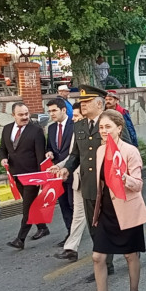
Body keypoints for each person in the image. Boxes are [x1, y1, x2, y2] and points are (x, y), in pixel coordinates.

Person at [79, 109, 146, 291]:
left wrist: (124, 177)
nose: (103, 131)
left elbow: (138, 185)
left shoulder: (130, 151)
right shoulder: (100, 151)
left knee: (130, 255)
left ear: (119, 128)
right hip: (107, 212)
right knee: (97, 257)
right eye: (101, 127)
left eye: (108, 127)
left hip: (127, 210)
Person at [56, 85, 116, 280]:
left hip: (108, 184)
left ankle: (126, 256)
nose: (82, 105)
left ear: (99, 104)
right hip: (89, 185)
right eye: (81, 102)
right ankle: (105, 263)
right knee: (94, 226)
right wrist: (67, 168)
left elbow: (126, 149)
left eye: (86, 102)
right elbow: (76, 154)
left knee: (114, 225)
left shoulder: (111, 123)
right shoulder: (80, 126)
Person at [0, 102, 49, 250]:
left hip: (32, 176)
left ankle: (20, 239)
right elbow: (2, 148)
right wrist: (3, 158)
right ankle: (43, 227)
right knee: (31, 204)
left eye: (26, 114)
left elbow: (40, 156)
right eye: (21, 115)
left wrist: (42, 178)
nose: (25, 117)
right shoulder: (7, 129)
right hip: (16, 174)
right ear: (13, 115)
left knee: (27, 208)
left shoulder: (36, 131)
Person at [54, 107, 85, 262]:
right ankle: (71, 249)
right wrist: (61, 166)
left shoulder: (99, 129)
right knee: (78, 216)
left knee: (106, 220)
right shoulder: (77, 131)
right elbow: (74, 155)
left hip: (96, 183)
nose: (73, 118)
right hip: (79, 181)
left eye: (77, 115)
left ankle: (129, 246)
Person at [45, 98, 74, 247]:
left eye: (54, 110)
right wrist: (49, 153)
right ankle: (70, 233)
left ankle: (76, 233)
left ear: (63, 110)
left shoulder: (75, 125)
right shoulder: (51, 128)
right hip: (57, 174)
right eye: (49, 111)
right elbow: (49, 146)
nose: (51, 114)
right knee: (63, 205)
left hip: (72, 171)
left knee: (73, 203)